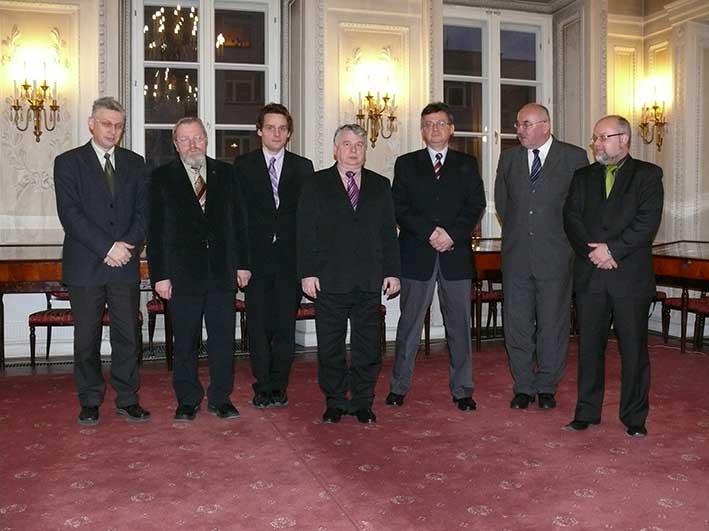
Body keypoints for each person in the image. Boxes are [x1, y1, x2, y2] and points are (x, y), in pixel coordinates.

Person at [563, 115, 663, 438]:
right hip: (591, 275)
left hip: (629, 277)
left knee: (633, 350)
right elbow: (571, 219)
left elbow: (646, 222)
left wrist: (612, 251)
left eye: (603, 137)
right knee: (589, 348)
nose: (597, 144)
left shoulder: (648, 175)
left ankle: (634, 417)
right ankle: (586, 411)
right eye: (595, 138)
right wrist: (594, 253)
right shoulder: (582, 177)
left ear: (624, 139)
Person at [54, 96, 151, 426]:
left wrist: (126, 246)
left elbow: (144, 213)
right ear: (91, 124)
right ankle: (90, 400)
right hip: (86, 265)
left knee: (128, 336)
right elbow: (70, 215)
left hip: (124, 264)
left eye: (118, 125)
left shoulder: (135, 163)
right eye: (106, 124)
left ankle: (128, 398)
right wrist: (108, 247)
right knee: (87, 338)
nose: (113, 130)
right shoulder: (68, 162)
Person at [147, 117, 251, 421]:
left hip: (221, 272)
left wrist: (243, 264)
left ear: (207, 139)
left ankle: (221, 398)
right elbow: (155, 230)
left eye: (198, 138)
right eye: (185, 139)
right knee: (185, 342)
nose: (193, 144)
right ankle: (187, 399)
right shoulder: (160, 177)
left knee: (223, 341)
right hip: (181, 275)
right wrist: (160, 275)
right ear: (176, 144)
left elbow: (240, 223)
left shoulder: (227, 174)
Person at [297, 124, 400, 424]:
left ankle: (363, 400)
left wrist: (392, 272)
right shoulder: (315, 184)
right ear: (335, 149)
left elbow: (388, 233)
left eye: (359, 145)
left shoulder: (381, 185)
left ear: (365, 150)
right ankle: (335, 400)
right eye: (347, 144)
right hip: (329, 279)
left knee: (368, 346)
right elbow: (305, 232)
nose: (353, 150)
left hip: (368, 279)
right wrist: (307, 273)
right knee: (331, 346)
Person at [386, 102, 486, 411]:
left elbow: (476, 204)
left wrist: (451, 235)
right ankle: (398, 386)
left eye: (440, 123)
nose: (434, 129)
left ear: (451, 129)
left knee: (459, 327)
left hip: (455, 256)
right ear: (422, 130)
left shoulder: (467, 163)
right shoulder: (406, 163)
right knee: (409, 326)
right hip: (417, 255)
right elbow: (399, 206)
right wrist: (430, 232)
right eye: (428, 124)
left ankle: (463, 390)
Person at [494, 103, 588, 410]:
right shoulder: (509, 158)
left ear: (545, 126)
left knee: (553, 325)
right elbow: (503, 204)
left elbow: (580, 207)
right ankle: (523, 386)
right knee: (517, 325)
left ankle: (547, 386)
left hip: (557, 257)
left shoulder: (573, 157)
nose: (519, 130)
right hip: (517, 257)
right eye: (518, 124)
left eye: (526, 124)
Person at [233, 103, 314, 408]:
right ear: (259, 131)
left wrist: (308, 266)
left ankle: (279, 385)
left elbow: (309, 221)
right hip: (255, 263)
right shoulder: (243, 165)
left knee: (284, 328)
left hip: (290, 263)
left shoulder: (303, 167)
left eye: (282, 128)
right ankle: (262, 385)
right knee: (257, 328)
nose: (276, 133)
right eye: (270, 128)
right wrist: (240, 263)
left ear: (289, 133)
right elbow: (237, 218)